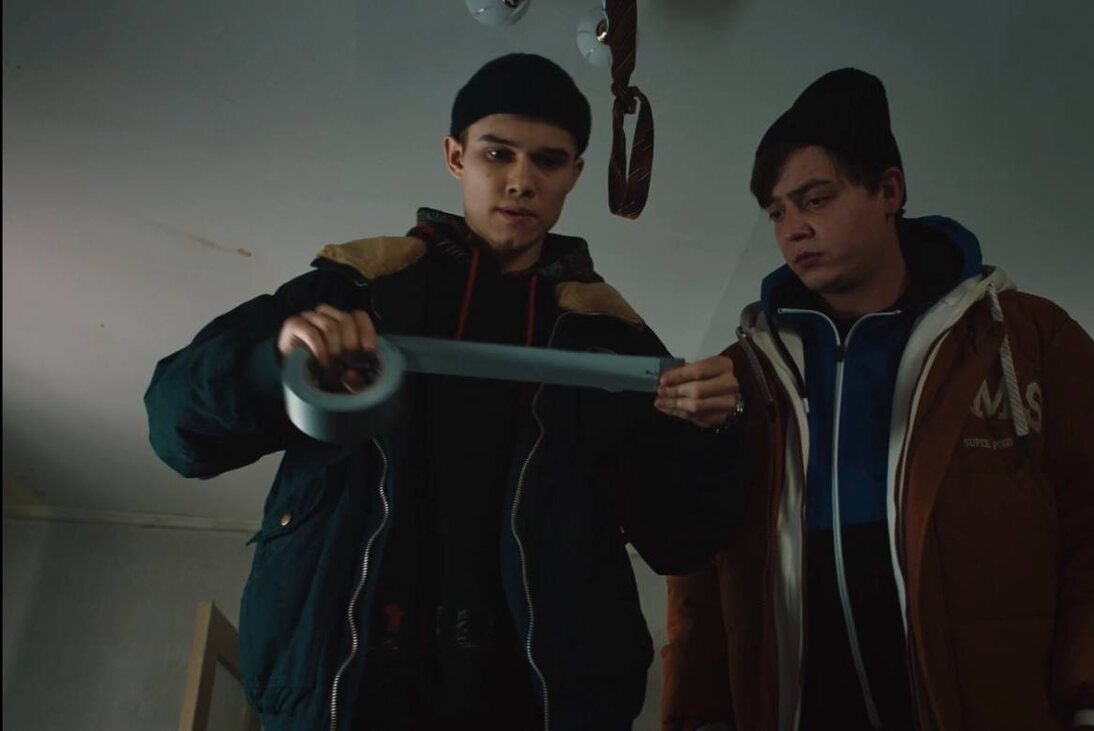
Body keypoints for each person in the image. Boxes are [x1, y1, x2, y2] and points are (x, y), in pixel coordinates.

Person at [145, 53, 745, 730]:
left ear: (575, 173)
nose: (521, 180)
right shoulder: (351, 289)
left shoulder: (616, 342)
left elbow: (682, 543)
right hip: (349, 695)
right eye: (498, 153)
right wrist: (270, 365)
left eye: (548, 161)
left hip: (535, 706)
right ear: (456, 156)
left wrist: (715, 430)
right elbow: (176, 430)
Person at [660, 68, 1094, 731]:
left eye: (814, 199)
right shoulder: (743, 377)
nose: (793, 229)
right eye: (777, 212)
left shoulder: (1026, 336)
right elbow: (699, 574)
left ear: (889, 191)